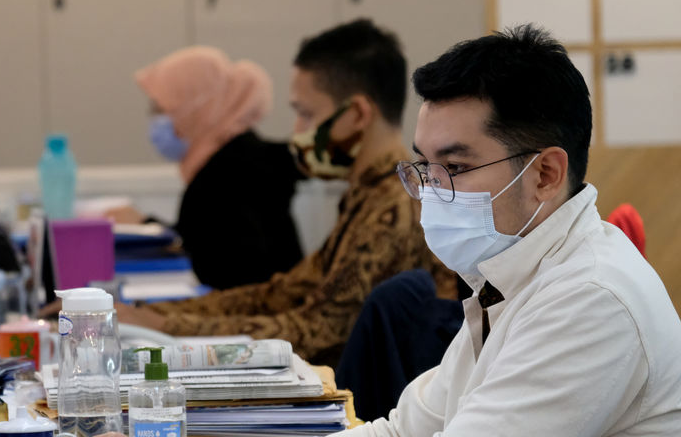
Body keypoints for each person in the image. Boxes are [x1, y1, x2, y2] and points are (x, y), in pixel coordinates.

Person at [71, 25, 681, 437]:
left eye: (458, 168)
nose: (432, 190)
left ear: (546, 172)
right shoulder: (513, 278)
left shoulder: (588, 299)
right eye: (424, 165)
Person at [116, 20, 455, 368]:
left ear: (357, 114)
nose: (297, 132)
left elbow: (320, 331)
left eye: (306, 115)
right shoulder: (368, 195)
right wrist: (150, 315)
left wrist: (165, 325)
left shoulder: (393, 205)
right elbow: (281, 294)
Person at [109, 47, 305, 290]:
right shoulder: (236, 159)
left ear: (196, 108)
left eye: (162, 110)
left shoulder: (228, 173)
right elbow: (206, 239)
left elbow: (231, 270)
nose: (156, 121)